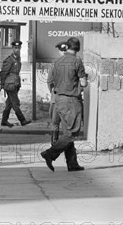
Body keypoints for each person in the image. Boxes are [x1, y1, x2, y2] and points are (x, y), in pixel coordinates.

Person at [41, 36, 88, 172]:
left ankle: (72, 163)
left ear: (67, 47)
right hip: (71, 101)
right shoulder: (77, 62)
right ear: (78, 49)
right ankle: (49, 154)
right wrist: (82, 84)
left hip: (58, 100)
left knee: (68, 131)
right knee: (72, 133)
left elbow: (51, 81)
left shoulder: (56, 62)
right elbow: (83, 82)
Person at [0, 40, 31, 127]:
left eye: (19, 48)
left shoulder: (17, 58)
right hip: (10, 85)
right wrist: (2, 84)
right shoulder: (9, 60)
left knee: (9, 103)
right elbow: (3, 72)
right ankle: (22, 120)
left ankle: (4, 120)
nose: (17, 50)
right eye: (15, 48)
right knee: (15, 103)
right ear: (12, 48)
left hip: (15, 84)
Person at [49, 40, 69, 139]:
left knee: (55, 122)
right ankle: (66, 144)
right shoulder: (74, 64)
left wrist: (53, 93)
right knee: (65, 123)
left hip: (57, 98)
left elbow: (49, 82)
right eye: (63, 51)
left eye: (64, 50)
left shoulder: (54, 65)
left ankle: (54, 143)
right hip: (68, 98)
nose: (64, 52)